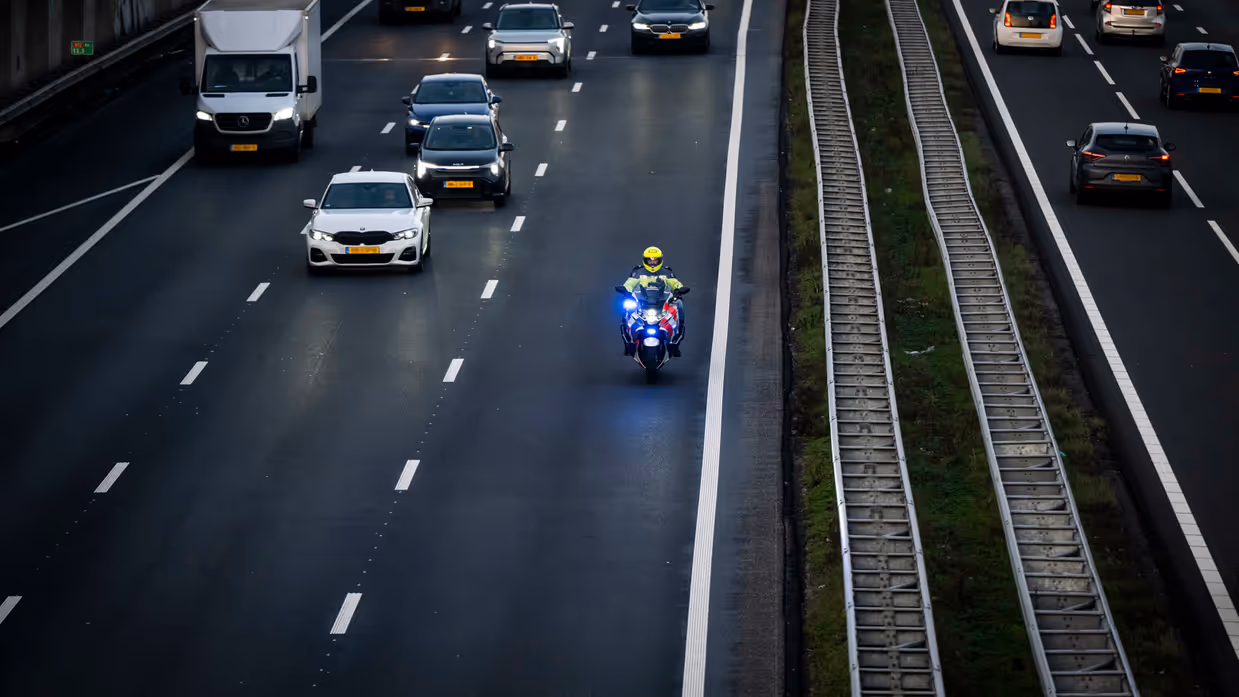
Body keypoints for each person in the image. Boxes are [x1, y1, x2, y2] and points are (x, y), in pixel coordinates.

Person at [621, 246, 686, 357]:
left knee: (679, 304)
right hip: (642, 302)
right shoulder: (638, 272)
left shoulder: (667, 272)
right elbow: (629, 283)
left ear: (660, 260)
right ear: (645, 260)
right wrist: (625, 290)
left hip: (662, 302)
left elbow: (675, 283)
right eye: (650, 260)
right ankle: (628, 342)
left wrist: (679, 290)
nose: (652, 263)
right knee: (625, 306)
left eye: (655, 260)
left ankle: (676, 342)